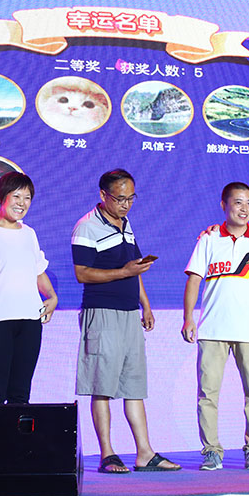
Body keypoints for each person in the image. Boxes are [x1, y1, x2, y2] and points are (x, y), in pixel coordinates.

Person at [71, 169, 180, 474]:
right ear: (103, 195)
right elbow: (82, 273)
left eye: (131, 198)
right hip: (102, 312)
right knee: (102, 385)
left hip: (130, 312)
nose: (126, 204)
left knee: (134, 385)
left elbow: (136, 268)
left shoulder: (126, 224)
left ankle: (144, 452)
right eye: (120, 199)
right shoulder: (86, 226)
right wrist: (124, 273)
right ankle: (107, 453)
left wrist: (145, 305)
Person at [182, 182, 249, 471]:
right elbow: (194, 279)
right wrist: (188, 317)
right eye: (238, 202)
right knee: (207, 395)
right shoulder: (209, 240)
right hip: (212, 330)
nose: (244, 209)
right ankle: (211, 451)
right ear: (224, 205)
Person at [0, 172, 57, 404]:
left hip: (29, 321)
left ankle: (17, 430)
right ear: (2, 197)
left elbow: (38, 271)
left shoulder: (29, 233)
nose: (21, 203)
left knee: (20, 395)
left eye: (27, 198)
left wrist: (52, 297)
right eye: (16, 196)